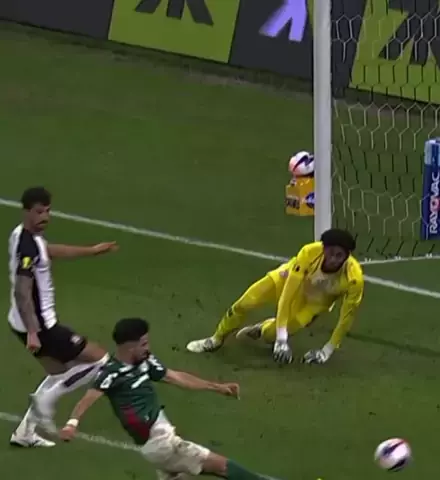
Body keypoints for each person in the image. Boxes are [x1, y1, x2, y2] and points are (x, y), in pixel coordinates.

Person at [60, 318, 284, 480]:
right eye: (144, 344)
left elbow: (176, 377)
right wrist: (72, 424)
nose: (148, 348)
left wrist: (217, 387)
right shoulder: (112, 373)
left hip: (159, 441)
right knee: (222, 466)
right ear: (130, 347)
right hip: (161, 444)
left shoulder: (145, 361)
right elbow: (89, 398)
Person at [9, 186, 118, 447]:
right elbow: (22, 291)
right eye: (39, 212)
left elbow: (48, 251)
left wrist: (92, 251)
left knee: (58, 373)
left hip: (20, 322)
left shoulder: (23, 235)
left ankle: (25, 433)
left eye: (47, 211)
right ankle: (46, 401)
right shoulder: (27, 246)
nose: (45, 217)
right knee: (102, 361)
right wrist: (34, 332)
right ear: (26, 211)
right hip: (41, 325)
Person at [186, 228, 364, 365]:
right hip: (288, 279)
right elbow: (288, 293)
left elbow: (346, 317)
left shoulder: (354, 279)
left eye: (339, 256)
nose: (334, 259)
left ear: (347, 256)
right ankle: (216, 339)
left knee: (269, 336)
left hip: (314, 303)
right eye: (331, 253)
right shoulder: (309, 253)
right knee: (245, 303)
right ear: (323, 249)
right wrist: (282, 339)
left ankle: (263, 328)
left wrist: (326, 351)